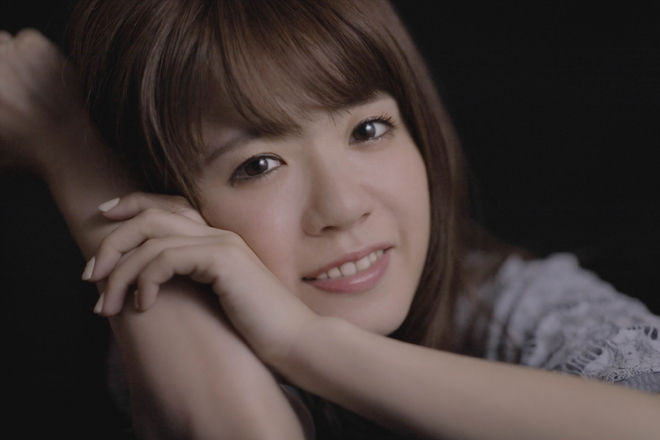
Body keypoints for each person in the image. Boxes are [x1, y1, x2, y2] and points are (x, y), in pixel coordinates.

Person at [1, 1, 660, 439]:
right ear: (173, 205)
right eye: (258, 165)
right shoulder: (181, 345)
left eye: (369, 129)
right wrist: (78, 157)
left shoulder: (519, 307)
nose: (342, 208)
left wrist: (303, 342)